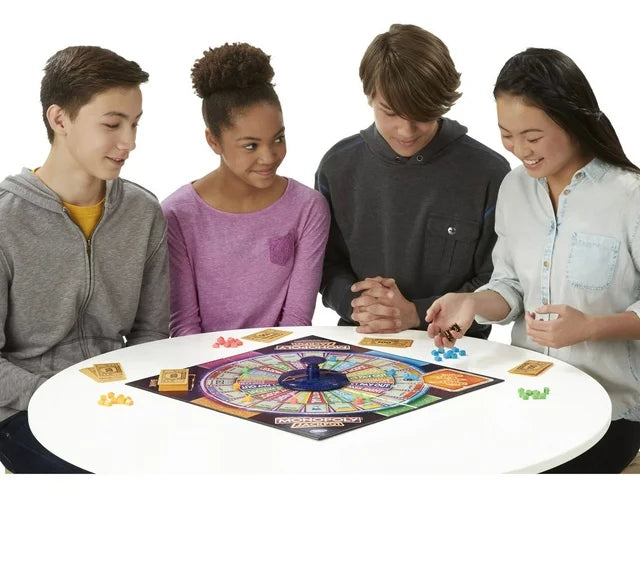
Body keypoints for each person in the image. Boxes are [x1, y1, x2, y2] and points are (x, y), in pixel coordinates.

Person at [426, 47, 640, 473]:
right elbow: (510, 287)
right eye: (507, 134)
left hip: (610, 410)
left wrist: (591, 327)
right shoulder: (514, 189)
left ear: (572, 119)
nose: (520, 149)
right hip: (529, 393)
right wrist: (472, 302)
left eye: (533, 136)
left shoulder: (629, 196)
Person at [0, 46, 169, 473]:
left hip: (117, 395)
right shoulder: (5, 221)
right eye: (112, 124)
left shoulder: (142, 212)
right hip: (24, 407)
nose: (129, 142)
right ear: (60, 120)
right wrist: (64, 395)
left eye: (134, 123)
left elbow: (151, 331)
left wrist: (127, 393)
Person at [315, 24, 510, 335]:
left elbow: (499, 283)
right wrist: (356, 304)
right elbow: (324, 265)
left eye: (421, 114)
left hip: (457, 349)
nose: (406, 131)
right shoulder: (337, 167)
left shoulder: (489, 173)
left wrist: (416, 314)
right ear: (370, 97)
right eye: (390, 112)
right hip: (359, 342)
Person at [162, 43, 330, 335]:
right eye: (251, 146)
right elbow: (184, 325)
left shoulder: (308, 208)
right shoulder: (176, 214)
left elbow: (296, 319)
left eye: (278, 139)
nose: (269, 156)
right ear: (213, 141)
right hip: (200, 357)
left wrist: (268, 364)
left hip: (281, 357)